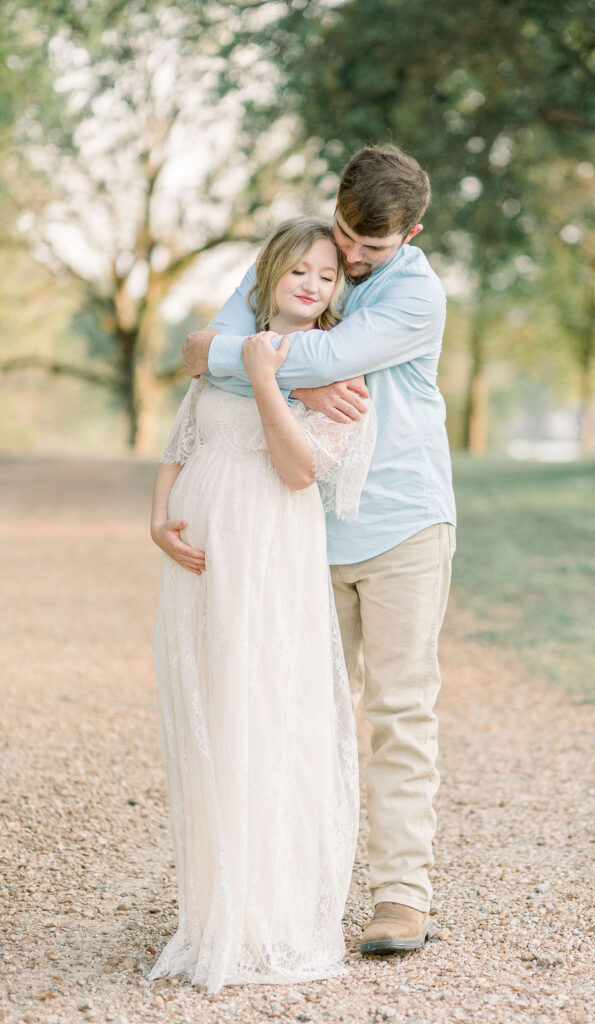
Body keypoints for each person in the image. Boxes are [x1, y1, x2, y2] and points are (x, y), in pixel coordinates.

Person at [183, 146, 457, 956]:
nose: (347, 259)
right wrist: (271, 371)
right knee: (302, 711)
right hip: (302, 526)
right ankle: (299, 894)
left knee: (400, 713)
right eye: (343, 236)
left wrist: (246, 363)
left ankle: (400, 899)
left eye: (369, 249)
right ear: (335, 207)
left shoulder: (417, 295)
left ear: (409, 232)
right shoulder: (302, 255)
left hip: (404, 523)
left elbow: (248, 354)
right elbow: (212, 340)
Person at [149, 217, 377, 990]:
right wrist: (158, 516)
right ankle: (216, 913)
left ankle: (270, 920)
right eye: (299, 272)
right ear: (270, 277)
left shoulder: (339, 372)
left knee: (263, 712)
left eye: (327, 276)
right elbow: (183, 440)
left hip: (268, 552)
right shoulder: (226, 345)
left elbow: (295, 470)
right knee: (209, 710)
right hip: (200, 555)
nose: (313, 286)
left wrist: (267, 379)